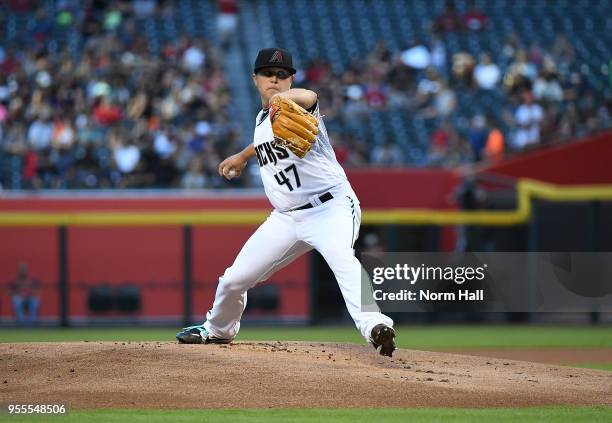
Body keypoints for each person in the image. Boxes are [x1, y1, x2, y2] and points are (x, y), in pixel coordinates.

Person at [176, 48, 396, 356]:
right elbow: (264, 138)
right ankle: (217, 330)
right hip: (286, 218)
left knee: (341, 259)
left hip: (330, 207)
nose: (275, 80)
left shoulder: (300, 106)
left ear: (291, 79)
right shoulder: (262, 119)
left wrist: (285, 99)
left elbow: (311, 95)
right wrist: (242, 155)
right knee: (233, 279)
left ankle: (375, 326)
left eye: (282, 75)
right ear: (255, 79)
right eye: (268, 74)